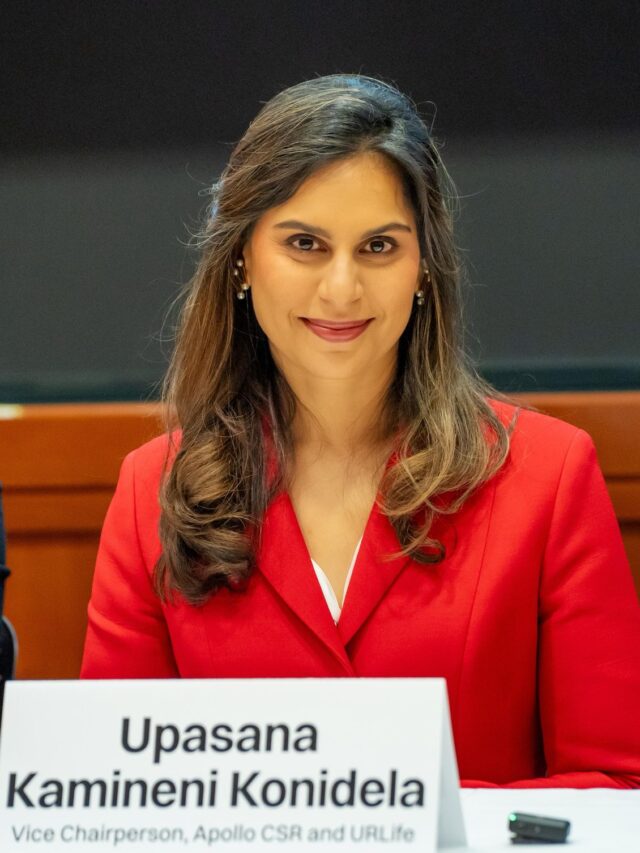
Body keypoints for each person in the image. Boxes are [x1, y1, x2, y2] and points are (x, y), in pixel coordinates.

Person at [80, 74, 640, 788]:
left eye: (378, 246)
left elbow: (615, 784)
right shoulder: (148, 493)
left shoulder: (549, 474)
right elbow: (117, 796)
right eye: (305, 243)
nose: (341, 288)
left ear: (424, 267)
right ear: (242, 260)